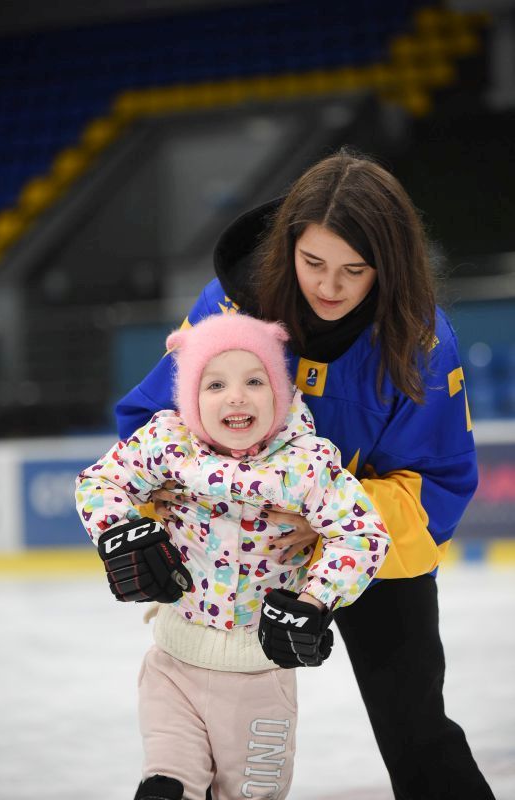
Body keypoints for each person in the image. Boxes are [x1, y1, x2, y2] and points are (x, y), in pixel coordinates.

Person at [115, 149, 496, 800]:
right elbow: (156, 421)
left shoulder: (422, 339)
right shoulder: (229, 304)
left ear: (389, 265)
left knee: (417, 734)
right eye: (313, 262)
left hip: (366, 553)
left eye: (355, 270)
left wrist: (329, 523)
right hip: (234, 550)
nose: (330, 286)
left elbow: (440, 486)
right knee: (201, 746)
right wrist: (153, 514)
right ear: (288, 245)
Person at [76, 313, 390, 800]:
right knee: (166, 786)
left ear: (280, 393)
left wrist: (312, 602)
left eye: (255, 381)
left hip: (259, 677)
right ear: (191, 399)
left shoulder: (305, 465)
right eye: (216, 384)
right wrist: (122, 533)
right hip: (174, 666)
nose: (237, 396)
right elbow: (99, 481)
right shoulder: (167, 444)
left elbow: (362, 535)